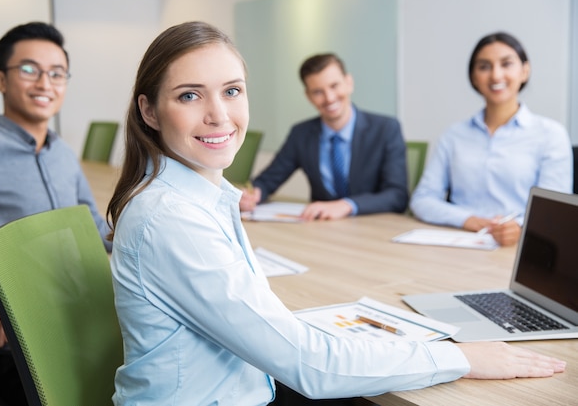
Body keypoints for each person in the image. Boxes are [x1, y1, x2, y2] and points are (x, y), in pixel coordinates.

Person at [106, 21, 565, 406]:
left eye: (231, 91)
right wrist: (460, 356)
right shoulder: (172, 219)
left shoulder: (199, 199)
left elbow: (397, 194)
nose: (218, 114)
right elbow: (308, 363)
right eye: (189, 96)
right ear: (148, 110)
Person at [0, 21, 112, 404]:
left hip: (79, 307)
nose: (45, 83)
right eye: (29, 70)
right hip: (26, 331)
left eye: (57, 73)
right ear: (1, 79)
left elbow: (90, 225)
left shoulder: (62, 153)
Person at [410, 32, 573, 246]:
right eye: (484, 66)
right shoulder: (453, 135)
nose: (496, 75)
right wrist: (469, 220)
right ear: (473, 77)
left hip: (523, 248)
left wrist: (520, 227)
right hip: (461, 243)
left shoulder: (550, 134)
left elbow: (554, 211)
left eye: (506, 64)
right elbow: (422, 199)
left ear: (525, 71)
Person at [239, 53, 408, 221]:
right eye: (318, 92)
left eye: (334, 86)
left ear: (349, 83)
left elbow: (397, 196)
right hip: (321, 228)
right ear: (308, 96)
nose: (329, 98)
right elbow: (269, 179)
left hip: (373, 227)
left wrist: (346, 205)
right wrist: (255, 194)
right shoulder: (301, 134)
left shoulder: (386, 129)